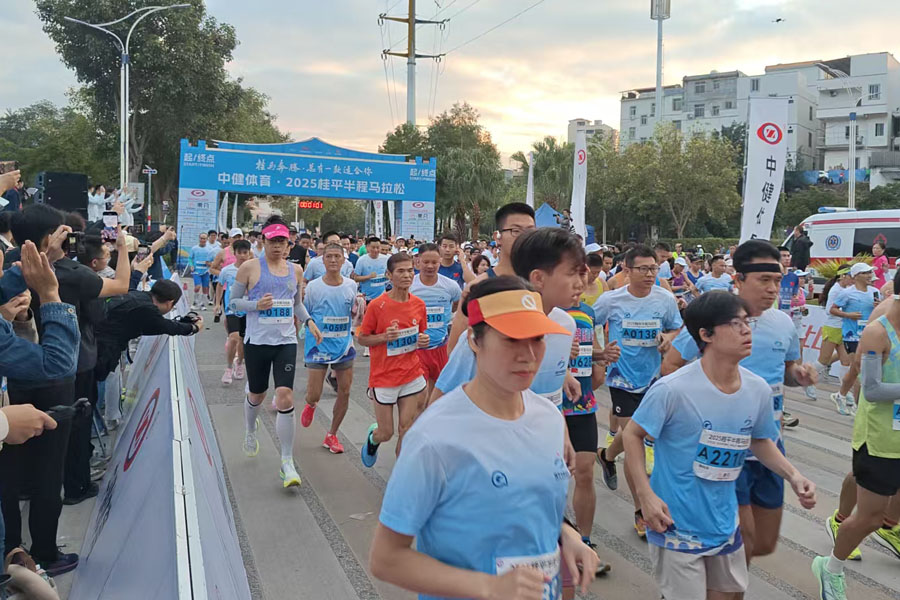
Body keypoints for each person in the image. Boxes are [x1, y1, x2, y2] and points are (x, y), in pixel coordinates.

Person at [369, 275, 599, 600]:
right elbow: (386, 559)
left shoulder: (549, 418)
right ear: (474, 341)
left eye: (537, 338)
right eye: (511, 340)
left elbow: (526, 501)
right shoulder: (435, 436)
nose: (529, 355)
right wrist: (489, 587)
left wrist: (566, 536)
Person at [625, 291, 816, 600]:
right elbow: (633, 435)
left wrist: (794, 476)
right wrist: (645, 496)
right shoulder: (672, 389)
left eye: (747, 322)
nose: (746, 331)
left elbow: (759, 440)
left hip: (724, 524)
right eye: (735, 324)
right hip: (676, 525)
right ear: (706, 334)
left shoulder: (757, 389)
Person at [661, 239, 819, 564]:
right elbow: (671, 366)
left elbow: (787, 370)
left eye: (777, 280)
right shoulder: (715, 318)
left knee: (764, 542)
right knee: (741, 541)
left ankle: (712, 577)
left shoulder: (783, 323)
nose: (772, 289)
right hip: (723, 446)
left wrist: (799, 376)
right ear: (739, 279)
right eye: (764, 280)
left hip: (769, 443)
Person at [811, 267, 900, 600]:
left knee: (887, 516)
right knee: (870, 517)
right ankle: (831, 567)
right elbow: (873, 390)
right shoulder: (879, 331)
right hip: (879, 439)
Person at [593, 244, 683, 537]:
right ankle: (641, 510)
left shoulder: (665, 299)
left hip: (653, 379)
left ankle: (606, 455)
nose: (649, 274)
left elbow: (676, 327)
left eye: (653, 268)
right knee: (637, 440)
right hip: (621, 379)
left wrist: (668, 338)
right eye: (643, 269)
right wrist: (600, 352)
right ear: (627, 270)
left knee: (633, 434)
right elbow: (586, 323)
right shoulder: (611, 300)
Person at [228, 217, 323, 488]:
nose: (278, 246)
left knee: (284, 396)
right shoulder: (249, 268)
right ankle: (250, 430)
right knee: (257, 394)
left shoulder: (296, 270)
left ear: (288, 243)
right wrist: (255, 305)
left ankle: (287, 461)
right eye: (273, 241)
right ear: (263, 241)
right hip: (257, 342)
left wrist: (309, 322)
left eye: (282, 241)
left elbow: (297, 304)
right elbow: (234, 303)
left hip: (285, 342)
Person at [358, 252, 429, 467]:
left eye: (410, 271)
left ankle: (401, 475)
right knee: (386, 432)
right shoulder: (377, 305)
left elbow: (420, 335)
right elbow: (362, 338)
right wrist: (383, 337)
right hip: (384, 377)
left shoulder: (419, 304)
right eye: (401, 271)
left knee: (406, 429)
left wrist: (422, 340)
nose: (407, 275)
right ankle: (373, 439)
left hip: (411, 374)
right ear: (389, 275)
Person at [446, 203, 536, 353]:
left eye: (530, 231)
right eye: (515, 231)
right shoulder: (477, 289)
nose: (524, 237)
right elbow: (454, 350)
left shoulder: (541, 285)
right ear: (497, 237)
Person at [299, 242, 361, 454]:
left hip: (343, 345)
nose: (333, 260)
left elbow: (353, 312)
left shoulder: (351, 285)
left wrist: (358, 310)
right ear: (322, 260)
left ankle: (332, 434)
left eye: (337, 256)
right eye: (329, 256)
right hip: (318, 345)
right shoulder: (313, 287)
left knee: (345, 391)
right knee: (314, 394)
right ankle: (311, 404)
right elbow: (305, 314)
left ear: (344, 260)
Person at [94, 279, 203, 380]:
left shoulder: (138, 296)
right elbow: (166, 326)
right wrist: (194, 327)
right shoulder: (148, 309)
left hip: (94, 343)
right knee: (101, 388)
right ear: (170, 303)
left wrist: (183, 323)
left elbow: (155, 325)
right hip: (101, 352)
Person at [410, 243, 462, 400]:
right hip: (416, 349)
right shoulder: (410, 285)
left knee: (436, 397)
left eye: (434, 262)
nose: (430, 266)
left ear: (440, 261)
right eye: (426, 262)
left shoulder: (450, 286)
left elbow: (456, 304)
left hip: (441, 348)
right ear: (418, 261)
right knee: (419, 397)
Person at [830, 262, 880, 414]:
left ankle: (840, 395)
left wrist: (879, 306)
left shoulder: (875, 292)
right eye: (866, 273)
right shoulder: (847, 293)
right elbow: (832, 309)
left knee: (853, 371)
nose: (870, 275)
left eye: (870, 272)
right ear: (856, 276)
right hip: (851, 336)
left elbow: (880, 312)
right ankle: (859, 407)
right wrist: (848, 315)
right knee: (860, 370)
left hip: (869, 335)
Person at [216, 240, 252, 385]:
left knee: (243, 340)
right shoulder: (227, 270)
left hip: (248, 309)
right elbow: (220, 285)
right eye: (240, 253)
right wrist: (217, 304)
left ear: (249, 253)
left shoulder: (254, 270)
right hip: (232, 308)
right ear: (234, 253)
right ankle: (229, 368)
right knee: (234, 337)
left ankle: (239, 363)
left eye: (245, 252)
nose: (242, 256)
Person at [815, 266, 853, 401]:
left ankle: (843, 393)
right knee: (823, 361)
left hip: (843, 329)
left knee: (846, 361)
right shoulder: (836, 290)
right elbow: (828, 310)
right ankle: (805, 380)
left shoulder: (846, 289)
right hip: (832, 328)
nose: (852, 279)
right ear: (843, 276)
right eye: (850, 276)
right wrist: (847, 313)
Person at [187, 232, 217, 310]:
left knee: (205, 288)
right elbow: (190, 258)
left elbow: (213, 259)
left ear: (207, 239)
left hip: (206, 271)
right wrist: (191, 265)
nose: (203, 240)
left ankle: (203, 304)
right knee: (197, 287)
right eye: (201, 238)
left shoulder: (210, 249)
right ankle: (195, 302)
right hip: (196, 271)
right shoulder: (194, 248)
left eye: (204, 238)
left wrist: (211, 264)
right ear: (199, 239)